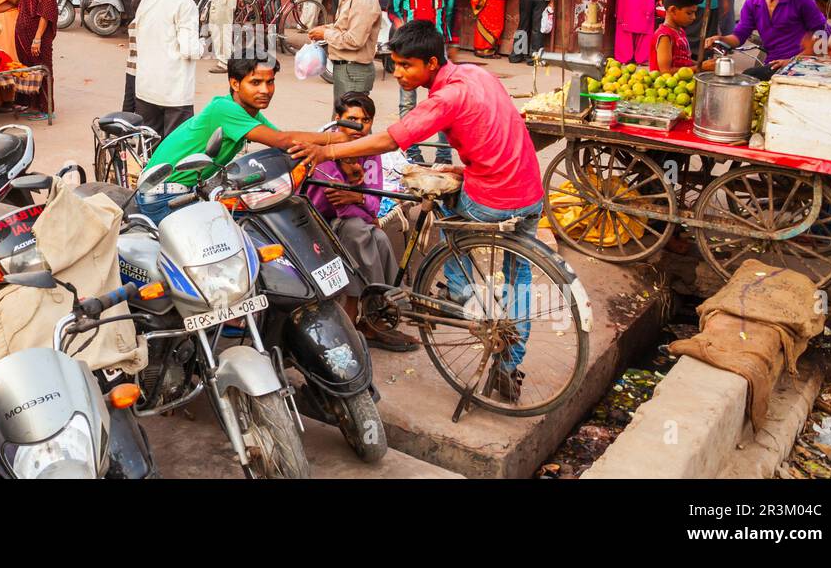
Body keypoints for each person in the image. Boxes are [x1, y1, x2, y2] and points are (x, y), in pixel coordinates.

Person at [290, 20, 547, 401]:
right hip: (530, 191)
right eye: (394, 64)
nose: (398, 73)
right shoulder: (475, 74)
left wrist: (326, 150)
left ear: (430, 63)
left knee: (449, 212)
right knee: (519, 275)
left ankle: (458, 292)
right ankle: (509, 368)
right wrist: (466, 169)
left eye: (405, 66)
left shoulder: (445, 98)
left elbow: (390, 139)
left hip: (493, 196)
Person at [137, 55, 350, 223]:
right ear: (235, 83)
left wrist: (340, 154)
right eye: (255, 82)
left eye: (270, 82)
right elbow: (283, 140)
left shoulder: (249, 111)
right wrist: (338, 139)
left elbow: (287, 143)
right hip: (162, 197)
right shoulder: (225, 109)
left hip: (187, 191)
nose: (265, 90)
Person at [306, 92, 416, 351]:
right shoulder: (324, 153)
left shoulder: (370, 153)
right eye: (352, 119)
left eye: (365, 120)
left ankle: (375, 313)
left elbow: (373, 205)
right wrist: (357, 196)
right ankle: (361, 313)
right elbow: (329, 204)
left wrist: (357, 198)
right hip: (319, 225)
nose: (359, 127)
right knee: (359, 231)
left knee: (377, 237)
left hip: (357, 223)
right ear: (337, 119)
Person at [386, 0, 456, 164]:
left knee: (443, 100)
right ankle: (411, 153)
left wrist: (449, 42)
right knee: (407, 101)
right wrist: (404, 29)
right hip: (408, 45)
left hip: (436, 45)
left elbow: (449, 12)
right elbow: (393, 10)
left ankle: (443, 156)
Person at [709, 0, 829, 79]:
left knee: (750, 74)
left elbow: (822, 36)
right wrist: (721, 39)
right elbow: (739, 36)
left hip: (800, 67)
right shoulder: (752, 3)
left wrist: (793, 61)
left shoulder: (803, 1)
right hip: (773, 65)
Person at [134, 0, 207, 138]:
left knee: (150, 150)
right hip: (174, 92)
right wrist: (203, 45)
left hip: (146, 87)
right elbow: (189, 50)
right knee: (175, 152)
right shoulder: (185, 4)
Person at [311, 0, 380, 103]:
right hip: (347, 70)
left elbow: (354, 40)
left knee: (350, 123)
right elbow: (345, 26)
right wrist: (327, 29)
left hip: (353, 71)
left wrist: (325, 35)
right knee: (343, 122)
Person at [15, 0, 58, 113]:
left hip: (38, 37)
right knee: (31, 70)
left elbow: (45, 13)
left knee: (43, 69)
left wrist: (37, 38)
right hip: (27, 34)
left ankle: (46, 109)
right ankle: (33, 105)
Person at [650, 0, 701, 74]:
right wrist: (700, 67)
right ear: (673, 10)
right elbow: (666, 71)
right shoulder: (665, 37)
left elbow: (685, 60)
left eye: (694, 13)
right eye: (689, 13)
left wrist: (702, 65)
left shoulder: (680, 31)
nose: (694, 17)